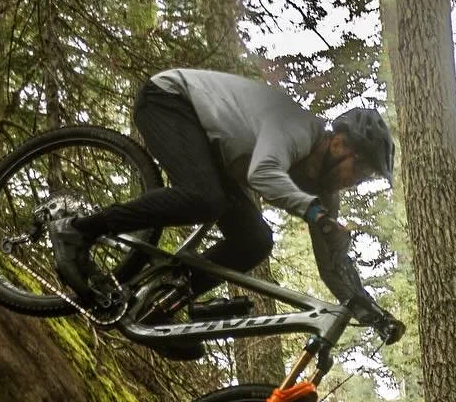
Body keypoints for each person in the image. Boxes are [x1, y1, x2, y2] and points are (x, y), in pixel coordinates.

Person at [48, 68, 405, 360]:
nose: (354, 183)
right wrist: (315, 214)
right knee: (205, 199)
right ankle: (77, 229)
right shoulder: (297, 127)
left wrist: (369, 311)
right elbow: (262, 173)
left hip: (214, 152)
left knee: (255, 241)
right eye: (359, 171)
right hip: (170, 101)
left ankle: (161, 305)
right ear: (339, 145)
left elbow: (333, 265)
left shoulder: (324, 193)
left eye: (364, 179)